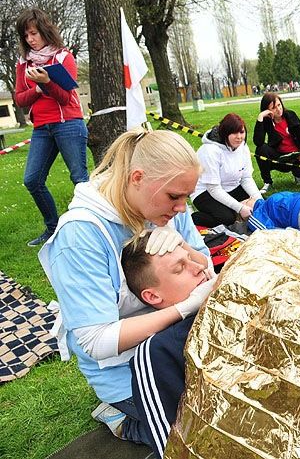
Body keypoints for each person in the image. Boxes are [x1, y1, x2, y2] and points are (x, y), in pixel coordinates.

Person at [38, 129, 215, 447]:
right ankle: (121, 419)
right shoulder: (80, 236)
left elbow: (207, 269)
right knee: (201, 435)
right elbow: (96, 340)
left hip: (180, 344)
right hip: (126, 371)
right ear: (137, 178)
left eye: (186, 197)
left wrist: (184, 247)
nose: (182, 208)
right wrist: (184, 308)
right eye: (174, 197)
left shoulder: (167, 211)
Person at [121, 231, 215, 459]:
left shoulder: (233, 304)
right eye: (179, 268)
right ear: (153, 296)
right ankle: (126, 426)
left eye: (190, 258)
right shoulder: (157, 353)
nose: (198, 268)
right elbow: (172, 446)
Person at [14, 8, 88, 247]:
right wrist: (38, 88)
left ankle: (88, 229)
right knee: (32, 180)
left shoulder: (63, 57)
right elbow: (20, 99)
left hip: (68, 124)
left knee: (80, 180)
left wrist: (47, 82)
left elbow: (66, 98)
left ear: (45, 31)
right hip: (41, 128)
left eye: (34, 33)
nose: (30, 39)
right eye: (26, 35)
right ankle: (53, 228)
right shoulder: (23, 64)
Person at [191, 112, 263, 227]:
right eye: (234, 133)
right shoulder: (209, 151)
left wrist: (260, 201)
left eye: (242, 132)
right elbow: (213, 188)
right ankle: (193, 218)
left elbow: (246, 178)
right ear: (225, 133)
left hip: (231, 186)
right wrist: (240, 208)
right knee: (227, 218)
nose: (239, 137)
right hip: (205, 191)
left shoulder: (243, 146)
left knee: (257, 206)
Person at [253, 92, 300, 193]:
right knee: (261, 149)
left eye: (279, 105)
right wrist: (260, 117)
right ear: (267, 110)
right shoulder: (267, 121)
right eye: (273, 108)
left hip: (295, 156)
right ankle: (267, 182)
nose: (278, 109)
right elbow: (258, 142)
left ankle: (298, 176)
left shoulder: (291, 115)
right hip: (279, 157)